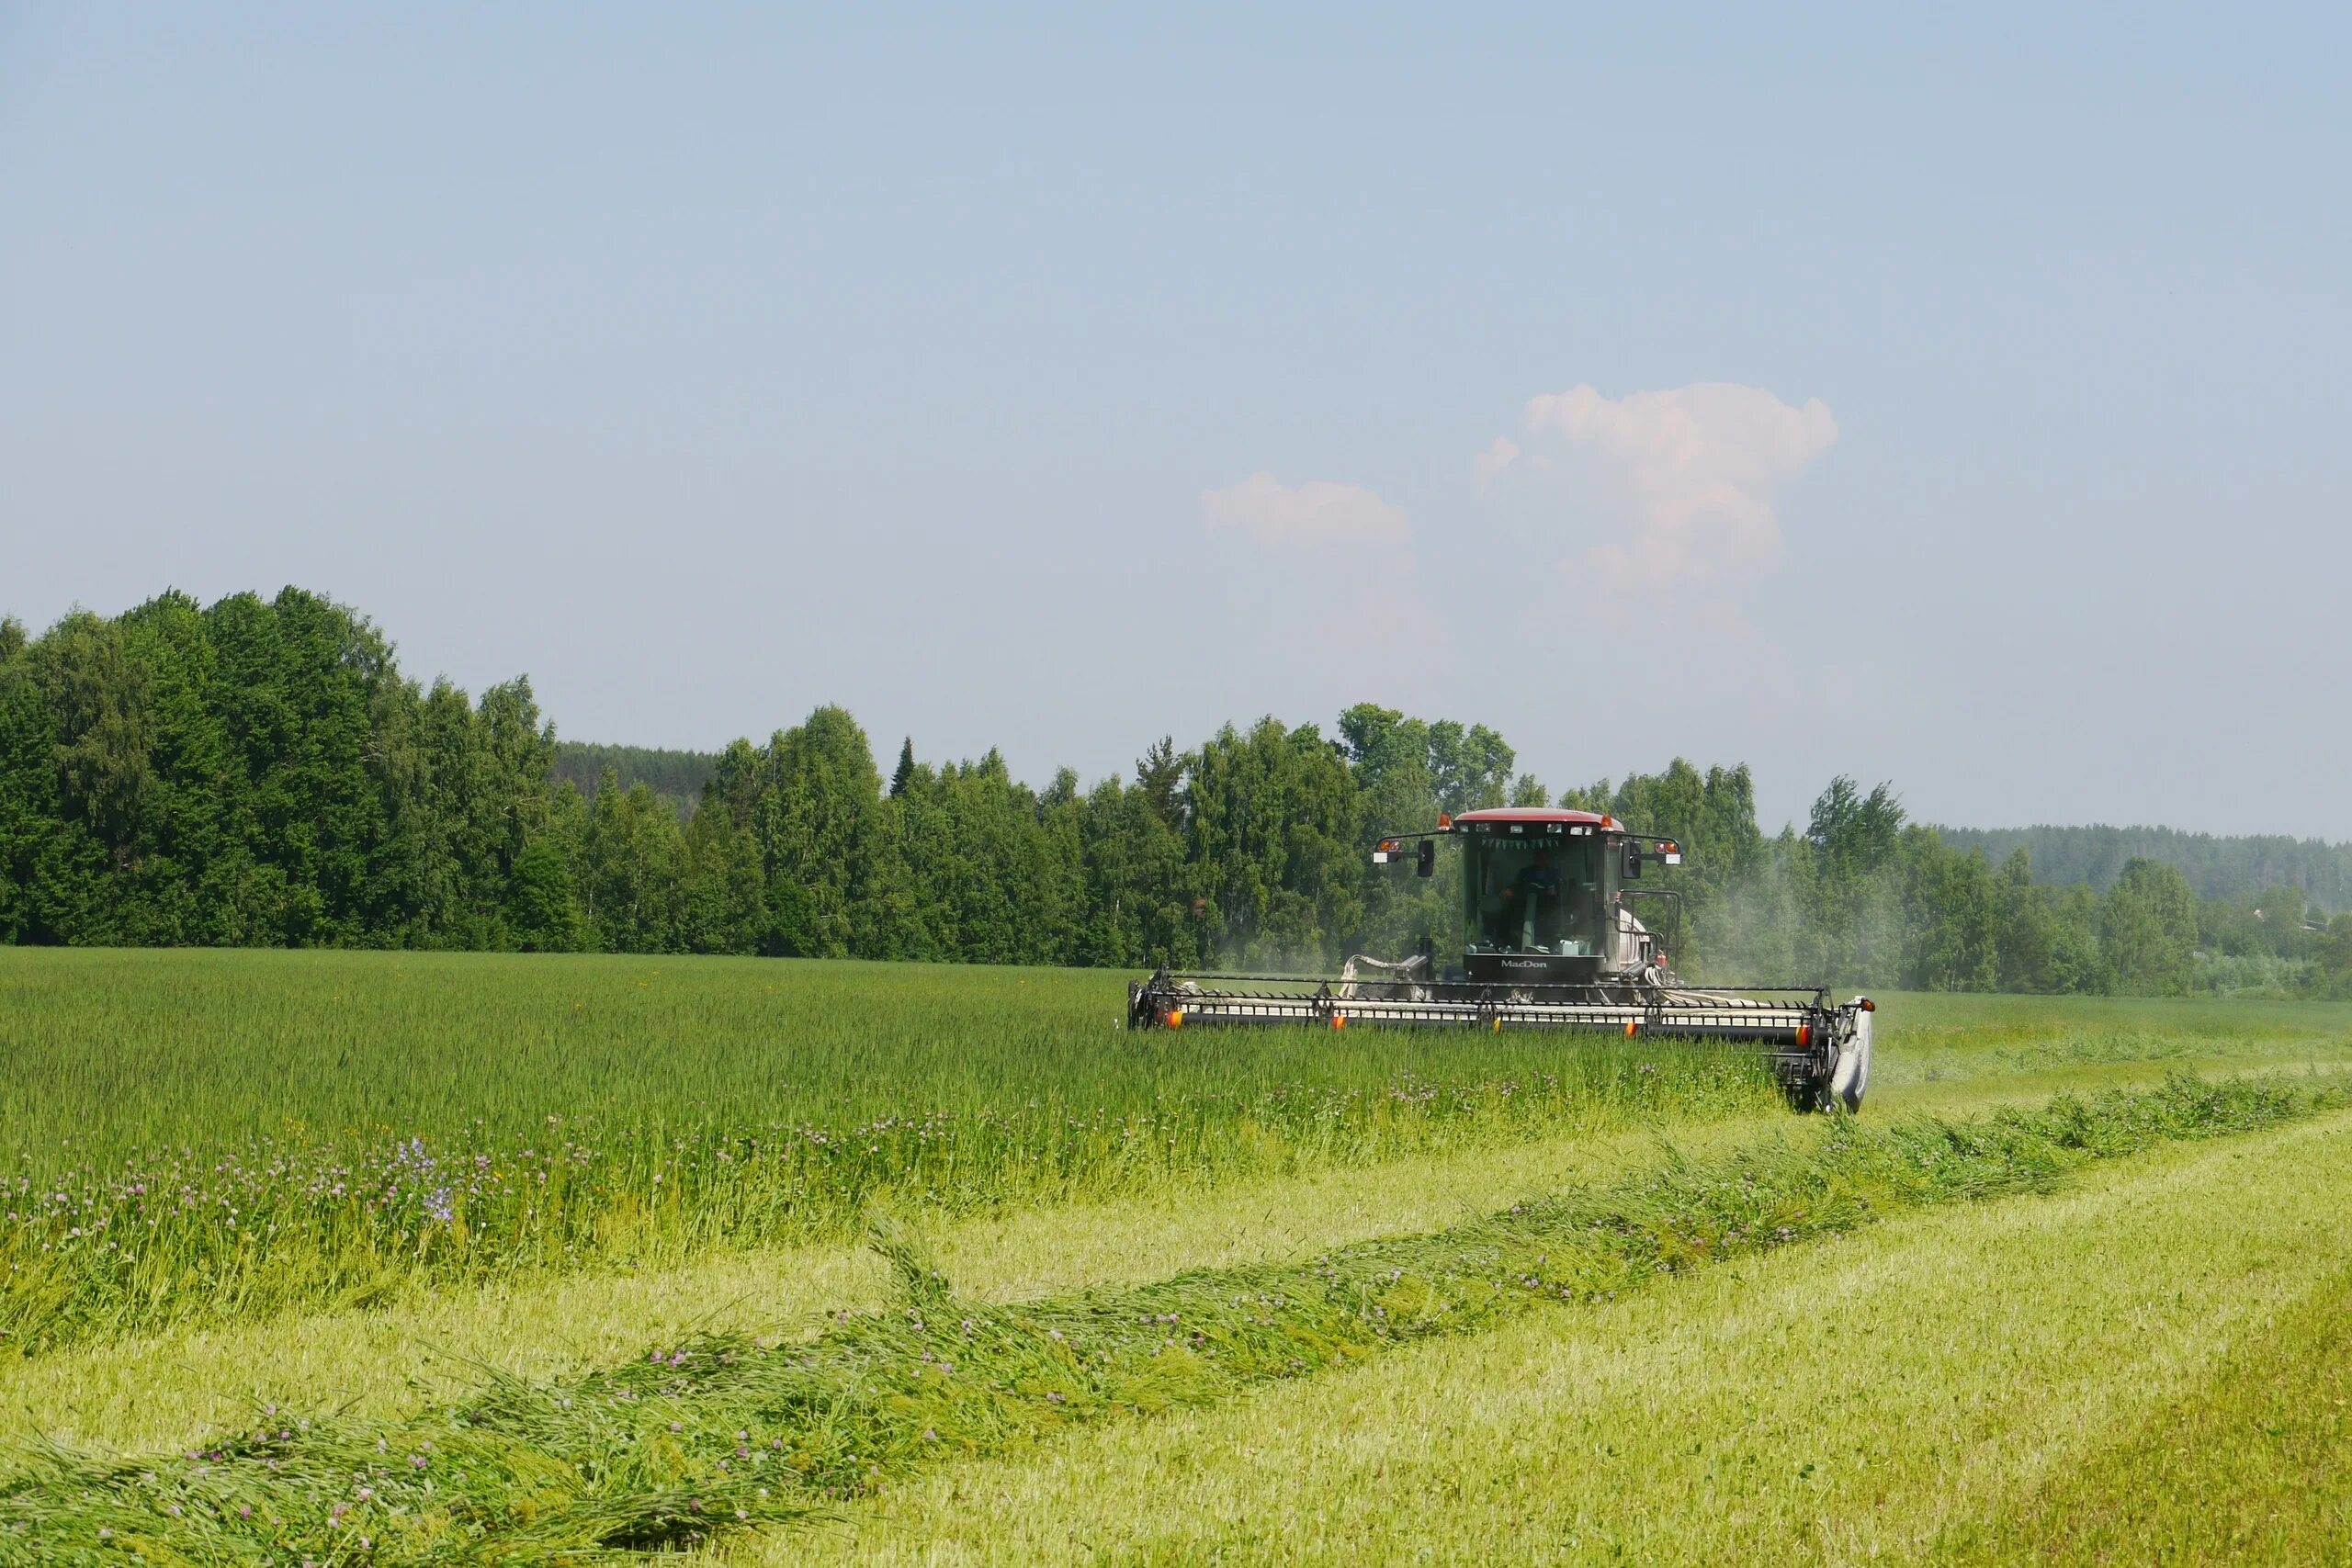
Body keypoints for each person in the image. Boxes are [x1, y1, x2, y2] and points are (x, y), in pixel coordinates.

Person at [1494, 849, 1563, 948]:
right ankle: (1505, 944)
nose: (1541, 860)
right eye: (1538, 857)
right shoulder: (1526, 873)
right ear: (1534, 858)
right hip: (1523, 906)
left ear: (1547, 858)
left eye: (1543, 857)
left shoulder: (1553, 874)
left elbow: (1557, 894)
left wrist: (1547, 894)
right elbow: (1514, 888)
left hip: (1546, 910)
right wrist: (1508, 892)